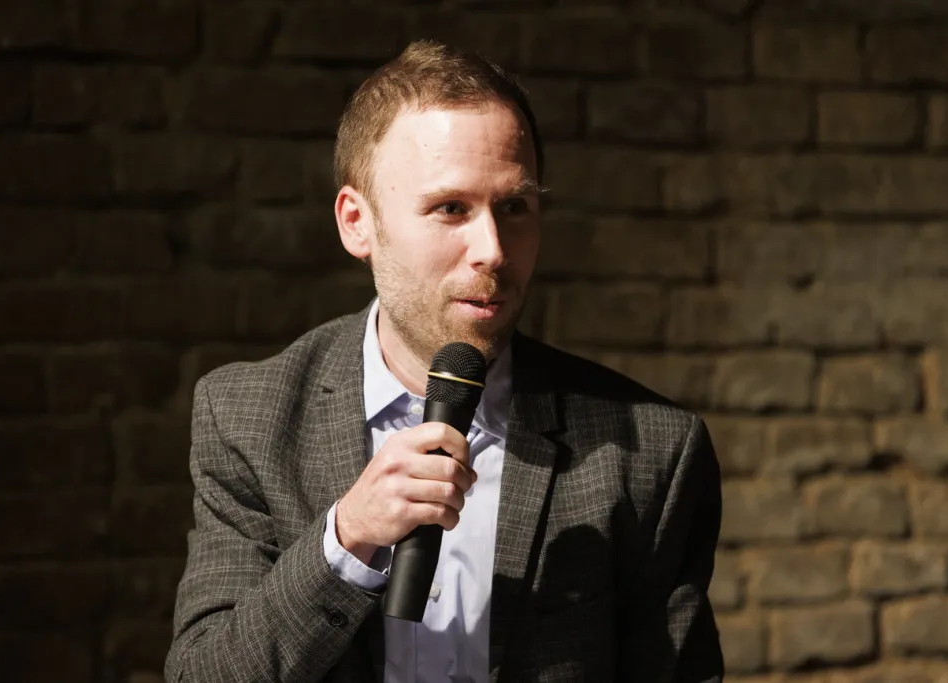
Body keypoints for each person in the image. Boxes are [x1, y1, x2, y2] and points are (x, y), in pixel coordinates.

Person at [165, 40, 724, 683]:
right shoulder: (249, 419)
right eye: (451, 208)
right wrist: (346, 538)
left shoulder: (653, 450)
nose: (493, 249)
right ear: (357, 223)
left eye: (514, 207)